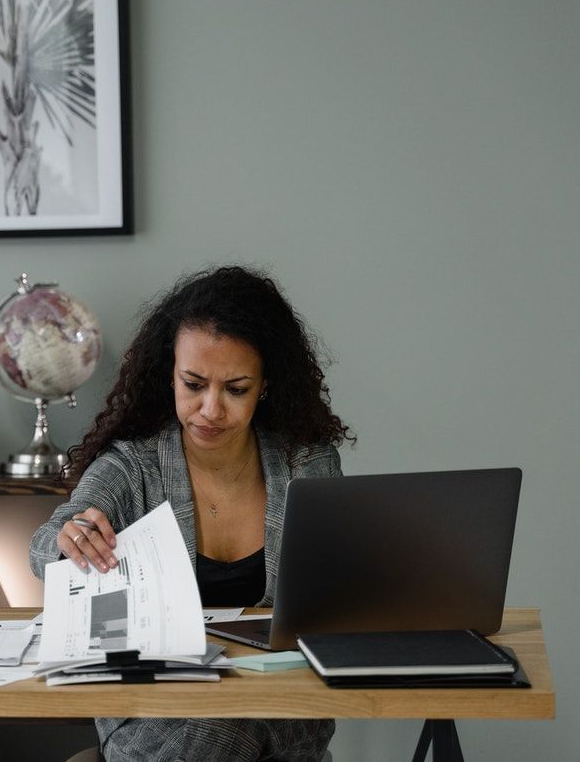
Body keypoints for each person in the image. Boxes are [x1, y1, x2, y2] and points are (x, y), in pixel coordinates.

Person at [29, 265, 354, 762]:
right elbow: (47, 542)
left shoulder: (305, 465)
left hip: (281, 709)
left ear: (265, 385)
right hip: (154, 714)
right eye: (194, 384)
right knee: (226, 721)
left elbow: (344, 587)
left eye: (236, 389)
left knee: (244, 710)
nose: (211, 409)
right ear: (169, 375)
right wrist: (68, 540)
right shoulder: (132, 465)